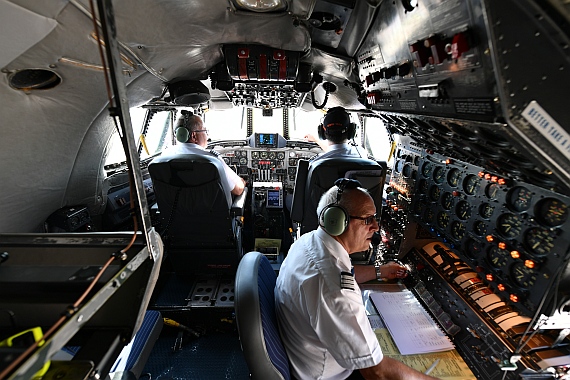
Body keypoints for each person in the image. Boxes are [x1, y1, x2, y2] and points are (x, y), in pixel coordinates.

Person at [275, 180, 438, 380]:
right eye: (368, 219)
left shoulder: (308, 241)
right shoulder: (333, 288)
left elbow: (345, 272)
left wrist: (380, 272)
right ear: (336, 220)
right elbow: (377, 372)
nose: (376, 227)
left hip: (305, 354)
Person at [161, 112, 245, 196]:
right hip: (212, 209)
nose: (208, 136)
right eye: (205, 131)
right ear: (194, 136)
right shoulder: (212, 160)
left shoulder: (164, 156)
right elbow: (237, 190)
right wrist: (242, 182)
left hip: (173, 209)